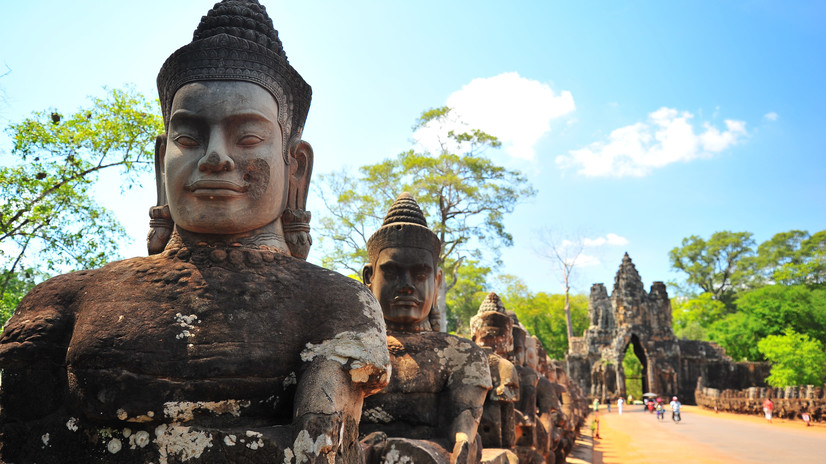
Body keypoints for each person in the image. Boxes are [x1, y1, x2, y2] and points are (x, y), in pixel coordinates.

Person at [0, 1, 392, 462]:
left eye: (247, 138)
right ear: (161, 159)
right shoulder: (64, 299)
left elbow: (320, 447)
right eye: (189, 139)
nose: (215, 157)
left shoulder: (338, 304)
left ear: (296, 166)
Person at [361, 193, 492, 464]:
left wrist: (461, 445)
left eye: (420, 275)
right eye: (392, 273)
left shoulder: (462, 354)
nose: (407, 285)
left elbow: (462, 427)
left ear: (438, 281)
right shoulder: (348, 346)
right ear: (368, 278)